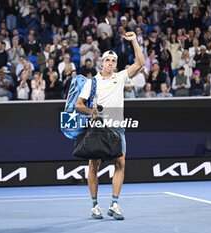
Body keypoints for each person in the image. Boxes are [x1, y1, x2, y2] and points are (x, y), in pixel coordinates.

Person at [75, 31, 144, 220]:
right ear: (102, 63)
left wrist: (134, 41)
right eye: (108, 61)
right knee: (93, 166)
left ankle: (114, 204)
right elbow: (78, 104)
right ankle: (94, 206)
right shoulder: (92, 82)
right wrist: (92, 113)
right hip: (98, 129)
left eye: (114, 61)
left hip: (117, 128)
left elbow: (140, 63)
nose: (111, 64)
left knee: (120, 163)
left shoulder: (120, 77)